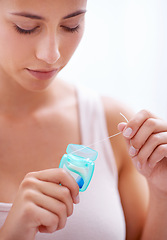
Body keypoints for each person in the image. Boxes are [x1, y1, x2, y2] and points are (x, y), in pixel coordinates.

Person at [0, 0, 167, 239]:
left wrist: (163, 194)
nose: (51, 55)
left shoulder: (110, 121)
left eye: (71, 25)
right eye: (25, 27)